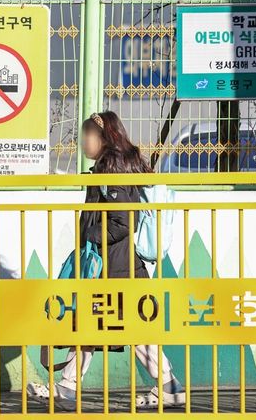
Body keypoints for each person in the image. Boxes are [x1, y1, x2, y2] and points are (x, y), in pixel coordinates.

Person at [27, 111, 185, 410]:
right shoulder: (113, 165)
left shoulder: (112, 168)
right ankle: (70, 387)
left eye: (87, 135)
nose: (82, 141)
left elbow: (122, 221)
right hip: (116, 264)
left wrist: (89, 235)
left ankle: (168, 388)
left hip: (115, 267)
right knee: (98, 324)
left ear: (104, 137)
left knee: (119, 326)